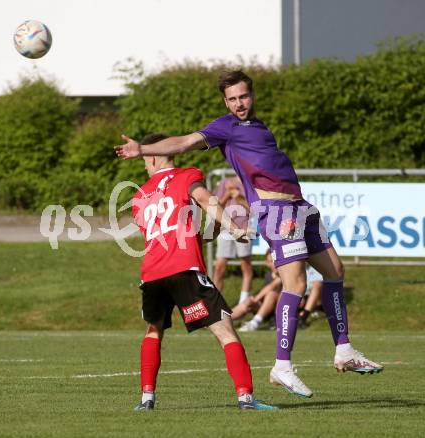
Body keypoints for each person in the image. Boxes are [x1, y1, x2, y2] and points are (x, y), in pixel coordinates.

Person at [115, 71, 383, 400]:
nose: (239, 104)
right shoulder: (224, 127)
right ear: (225, 102)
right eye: (232, 99)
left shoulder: (259, 127)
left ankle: (344, 349)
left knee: (335, 271)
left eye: (243, 97)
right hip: (276, 212)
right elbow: (184, 143)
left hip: (301, 208)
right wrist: (142, 149)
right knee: (295, 283)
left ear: (251, 95)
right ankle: (282, 365)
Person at [130, 133, 275, 411]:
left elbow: (171, 234)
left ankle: (146, 399)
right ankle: (246, 398)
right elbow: (207, 201)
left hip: (151, 274)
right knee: (226, 331)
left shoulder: (139, 195)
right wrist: (232, 226)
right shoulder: (187, 175)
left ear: (151, 157)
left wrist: (215, 230)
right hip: (184, 269)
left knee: (153, 331)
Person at [212, 176, 253, 304]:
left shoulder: (250, 184)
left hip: (244, 228)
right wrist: (227, 194)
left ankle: (243, 302)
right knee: (219, 268)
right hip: (225, 229)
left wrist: (238, 196)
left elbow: (254, 210)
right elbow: (214, 208)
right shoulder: (225, 182)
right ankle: (215, 303)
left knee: (245, 266)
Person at [232, 250, 282, 332]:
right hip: (266, 307)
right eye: (271, 261)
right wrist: (252, 301)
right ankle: (222, 320)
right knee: (248, 301)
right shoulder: (268, 275)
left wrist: (256, 299)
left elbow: (270, 287)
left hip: (279, 309)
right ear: (267, 263)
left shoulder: (283, 275)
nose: (274, 263)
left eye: (275, 260)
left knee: (271, 294)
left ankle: (254, 323)